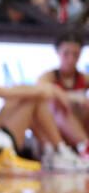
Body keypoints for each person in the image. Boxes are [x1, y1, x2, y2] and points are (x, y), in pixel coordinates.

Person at [36, 32, 89, 161]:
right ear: (58, 53)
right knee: (58, 106)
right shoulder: (47, 77)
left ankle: (84, 147)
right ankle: (84, 147)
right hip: (54, 134)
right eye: (66, 54)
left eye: (75, 54)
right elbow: (41, 91)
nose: (71, 59)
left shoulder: (84, 78)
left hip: (80, 126)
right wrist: (69, 97)